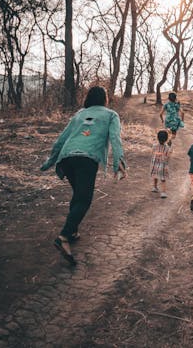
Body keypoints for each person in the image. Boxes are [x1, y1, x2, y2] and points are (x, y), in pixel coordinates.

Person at [40, 86, 127, 265]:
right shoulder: (111, 115)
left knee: (78, 195)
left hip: (66, 159)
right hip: (86, 159)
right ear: (105, 99)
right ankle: (63, 236)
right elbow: (115, 138)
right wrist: (119, 161)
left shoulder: (80, 114)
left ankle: (72, 231)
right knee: (84, 200)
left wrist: (50, 162)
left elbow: (62, 139)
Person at [150, 129, 172, 198]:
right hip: (163, 165)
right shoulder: (167, 148)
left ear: (157, 138)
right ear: (166, 139)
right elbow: (168, 157)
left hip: (155, 164)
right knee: (163, 179)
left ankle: (155, 187)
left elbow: (152, 153)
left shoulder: (154, 146)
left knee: (155, 176)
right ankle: (163, 192)